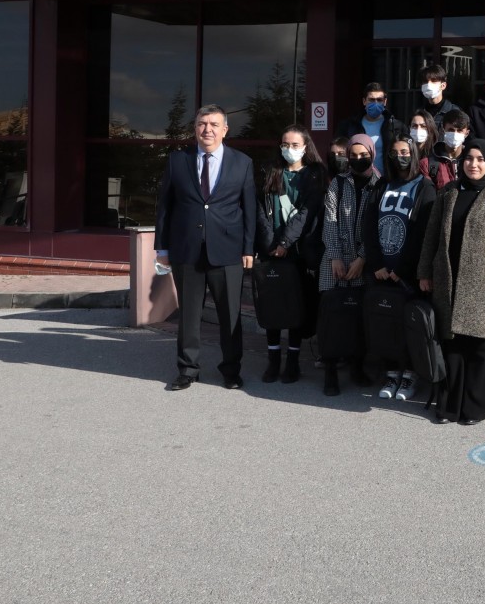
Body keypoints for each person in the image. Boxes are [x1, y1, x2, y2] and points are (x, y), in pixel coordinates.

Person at [156, 105, 256, 391]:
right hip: (187, 250)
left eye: (213, 124)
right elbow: (165, 207)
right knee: (188, 315)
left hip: (227, 251)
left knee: (230, 315)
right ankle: (188, 370)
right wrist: (162, 249)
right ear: (195, 128)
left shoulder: (242, 162)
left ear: (225, 130)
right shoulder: (177, 160)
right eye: (202, 124)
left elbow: (249, 209)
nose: (207, 129)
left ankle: (231, 371)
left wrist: (249, 248)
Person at [417, 139, 485, 425]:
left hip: (482, 282)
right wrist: (424, 272)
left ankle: (476, 408)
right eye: (469, 158)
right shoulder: (448, 193)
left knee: (480, 346)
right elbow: (431, 235)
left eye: (480, 159)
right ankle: (450, 406)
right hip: (448, 277)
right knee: (452, 345)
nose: (474, 164)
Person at [363, 135, 437, 403]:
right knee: (387, 324)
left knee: (410, 325)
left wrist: (403, 269)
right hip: (382, 270)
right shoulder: (382, 185)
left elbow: (423, 232)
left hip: (408, 273)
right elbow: (369, 224)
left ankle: (411, 375)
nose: (400, 157)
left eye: (405, 151)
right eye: (395, 153)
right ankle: (392, 372)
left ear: (414, 154)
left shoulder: (425, 187)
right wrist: (377, 264)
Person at [255, 125, 327, 384]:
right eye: (285, 144)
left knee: (296, 309)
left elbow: (308, 212)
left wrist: (285, 242)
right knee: (273, 308)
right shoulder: (270, 171)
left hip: (298, 253)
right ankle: (273, 361)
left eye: (295, 145)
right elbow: (260, 211)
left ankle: (293, 363)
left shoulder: (315, 174)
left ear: (306, 147)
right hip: (271, 251)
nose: (289, 149)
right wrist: (270, 244)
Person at [319, 133, 380, 396]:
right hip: (334, 259)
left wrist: (362, 258)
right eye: (352, 155)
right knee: (331, 317)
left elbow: (376, 226)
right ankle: (330, 371)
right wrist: (335, 256)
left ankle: (357, 367)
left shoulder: (379, 184)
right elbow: (330, 220)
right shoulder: (339, 183)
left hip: (363, 262)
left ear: (372, 154)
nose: (357, 159)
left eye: (362, 155)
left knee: (358, 318)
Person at [336, 82, 406, 175]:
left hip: (387, 179)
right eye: (371, 100)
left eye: (379, 100)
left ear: (385, 102)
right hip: (357, 178)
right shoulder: (350, 126)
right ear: (364, 101)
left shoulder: (396, 126)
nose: (375, 103)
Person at [429, 109, 470, 187]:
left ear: (467, 133)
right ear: (443, 130)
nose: (455, 134)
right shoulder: (429, 162)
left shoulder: (471, 161)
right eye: (451, 130)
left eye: (459, 131)